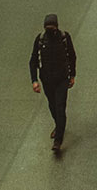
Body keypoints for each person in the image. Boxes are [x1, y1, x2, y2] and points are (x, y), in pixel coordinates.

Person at [30, 13, 77, 153]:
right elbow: (33, 61)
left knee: (60, 107)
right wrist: (34, 81)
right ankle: (59, 126)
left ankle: (58, 140)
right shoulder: (40, 40)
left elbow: (72, 56)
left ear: (57, 27)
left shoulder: (64, 38)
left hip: (62, 79)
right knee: (52, 106)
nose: (49, 30)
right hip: (47, 80)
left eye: (52, 27)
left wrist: (72, 75)